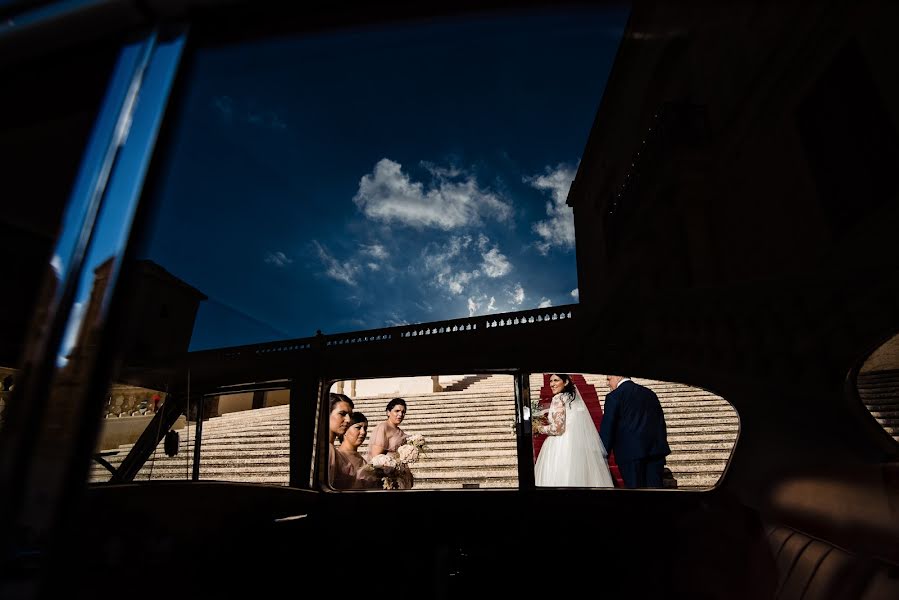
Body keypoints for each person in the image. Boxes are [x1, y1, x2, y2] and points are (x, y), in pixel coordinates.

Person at [534, 373, 615, 487]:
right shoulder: (572, 398)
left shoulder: (558, 398)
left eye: (556, 380)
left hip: (560, 446)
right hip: (575, 444)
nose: (552, 384)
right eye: (550, 381)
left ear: (566, 382)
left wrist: (538, 428)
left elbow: (558, 429)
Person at [599, 375, 671, 488]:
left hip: (630, 455)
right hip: (655, 452)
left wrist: (602, 454)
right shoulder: (649, 393)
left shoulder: (614, 397)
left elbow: (608, 427)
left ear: (618, 376)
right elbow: (660, 422)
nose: (607, 383)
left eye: (609, 379)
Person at [368, 397, 414, 489]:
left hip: (400, 474)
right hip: (387, 475)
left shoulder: (401, 432)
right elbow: (376, 457)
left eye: (403, 412)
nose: (400, 414)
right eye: (397, 411)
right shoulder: (383, 427)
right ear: (388, 412)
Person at [333, 411, 380, 489]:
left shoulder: (363, 461)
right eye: (358, 428)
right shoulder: (336, 456)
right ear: (345, 430)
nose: (363, 432)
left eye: (365, 428)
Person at [327, 392, 354, 486]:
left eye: (350, 415)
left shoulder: (333, 450)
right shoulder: (327, 450)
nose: (348, 420)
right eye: (342, 414)